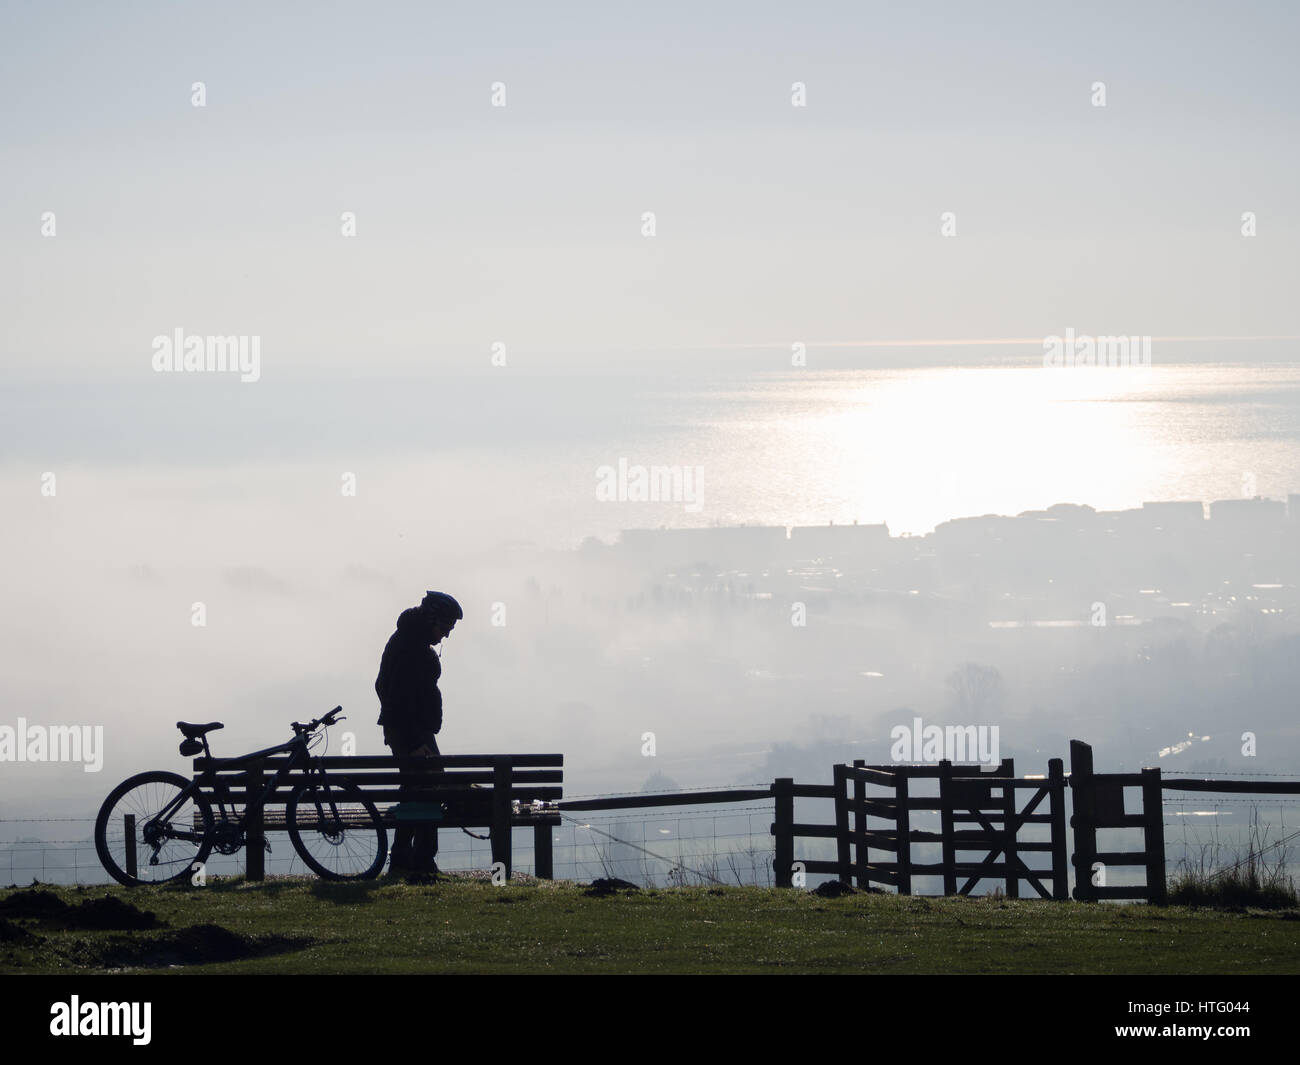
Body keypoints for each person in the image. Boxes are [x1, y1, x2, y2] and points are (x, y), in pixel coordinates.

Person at [375, 590, 462, 875]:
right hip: (412, 735)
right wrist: (414, 741)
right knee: (427, 793)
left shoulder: (405, 640)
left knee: (416, 793)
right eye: (445, 627)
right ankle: (420, 860)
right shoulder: (411, 647)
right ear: (432, 619)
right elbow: (399, 697)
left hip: (410, 732)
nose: (446, 635)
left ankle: (406, 860)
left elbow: (383, 688)